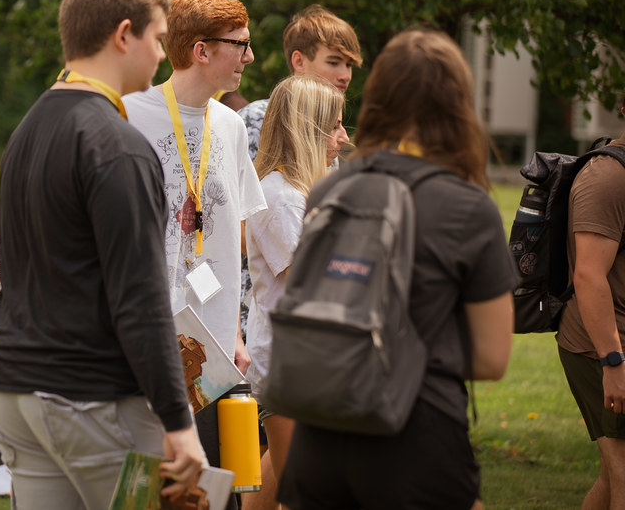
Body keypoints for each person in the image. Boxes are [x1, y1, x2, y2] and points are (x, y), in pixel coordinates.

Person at [0, 0, 205, 510]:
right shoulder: (117, 145)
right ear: (124, 35)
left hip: (13, 392)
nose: (161, 54)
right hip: (90, 400)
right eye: (157, 38)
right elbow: (141, 299)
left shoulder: (28, 129)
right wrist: (179, 422)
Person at [277, 28, 516, 510]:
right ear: (457, 106)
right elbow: (492, 358)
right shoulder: (469, 207)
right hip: (416, 435)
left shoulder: (331, 190)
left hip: (321, 433)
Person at [123, 0, 267, 504]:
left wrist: (236, 332)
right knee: (148, 491)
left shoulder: (230, 126)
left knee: (206, 495)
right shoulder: (128, 115)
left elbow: (234, 234)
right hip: (144, 344)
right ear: (202, 51)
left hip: (213, 357)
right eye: (240, 44)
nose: (250, 56)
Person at [242, 75, 345, 510]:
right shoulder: (281, 198)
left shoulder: (304, 190)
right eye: (334, 126)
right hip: (291, 367)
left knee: (284, 480)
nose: (344, 137)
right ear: (307, 129)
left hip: (306, 362)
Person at [555, 93, 625, 510]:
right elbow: (588, 275)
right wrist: (613, 363)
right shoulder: (608, 177)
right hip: (600, 346)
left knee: (612, 473)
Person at [237, 4, 361, 164]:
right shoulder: (257, 120)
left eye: (349, 65)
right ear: (299, 61)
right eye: (333, 62)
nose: (346, 76)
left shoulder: (331, 128)